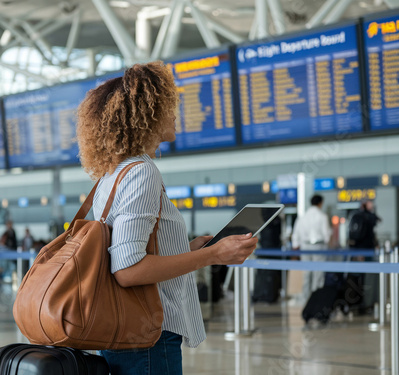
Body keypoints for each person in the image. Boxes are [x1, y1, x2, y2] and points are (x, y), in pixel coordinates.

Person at [76, 61, 258, 375]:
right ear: (145, 116)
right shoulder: (141, 172)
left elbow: (130, 251)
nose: (174, 115)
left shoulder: (111, 175)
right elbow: (128, 269)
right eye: (166, 107)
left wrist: (190, 248)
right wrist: (212, 254)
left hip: (127, 329)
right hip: (148, 335)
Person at [291, 195, 331, 303]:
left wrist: (296, 246)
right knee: (318, 274)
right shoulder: (322, 216)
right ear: (320, 203)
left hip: (305, 247)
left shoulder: (303, 217)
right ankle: (316, 300)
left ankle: (306, 300)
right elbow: (327, 235)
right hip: (318, 246)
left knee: (306, 274)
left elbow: (295, 235)